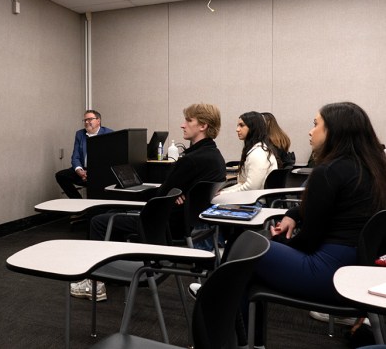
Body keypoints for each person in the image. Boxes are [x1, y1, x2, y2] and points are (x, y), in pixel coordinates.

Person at [245, 102, 386, 347]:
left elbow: (309, 241)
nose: (310, 131)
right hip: (363, 274)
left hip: (328, 273)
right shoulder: (374, 169)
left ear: (334, 130)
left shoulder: (328, 171)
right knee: (247, 268)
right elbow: (336, 208)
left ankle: (229, 330)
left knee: (248, 247)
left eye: (316, 124)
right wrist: (294, 215)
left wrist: (281, 239)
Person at [70, 103, 226, 301]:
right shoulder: (215, 156)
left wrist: (166, 194)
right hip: (185, 224)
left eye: (188, 120)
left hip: (163, 225)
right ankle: (114, 275)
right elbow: (172, 191)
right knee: (114, 214)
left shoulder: (191, 160)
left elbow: (160, 195)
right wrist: (175, 194)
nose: (182, 125)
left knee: (100, 220)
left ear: (203, 125)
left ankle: (95, 283)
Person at [54, 110, 113, 199]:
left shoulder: (109, 134)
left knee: (99, 182)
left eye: (89, 119)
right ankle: (78, 201)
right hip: (83, 170)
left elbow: (111, 159)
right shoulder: (80, 134)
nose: (86, 122)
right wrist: (79, 170)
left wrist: (93, 172)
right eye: (85, 120)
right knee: (61, 175)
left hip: (100, 171)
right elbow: (75, 156)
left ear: (98, 120)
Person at [221, 111, 278, 193]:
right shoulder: (256, 149)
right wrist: (223, 191)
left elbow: (251, 188)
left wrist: (224, 193)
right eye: (237, 125)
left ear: (253, 128)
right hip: (251, 197)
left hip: (255, 201)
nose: (237, 129)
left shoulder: (258, 153)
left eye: (241, 125)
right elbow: (242, 184)